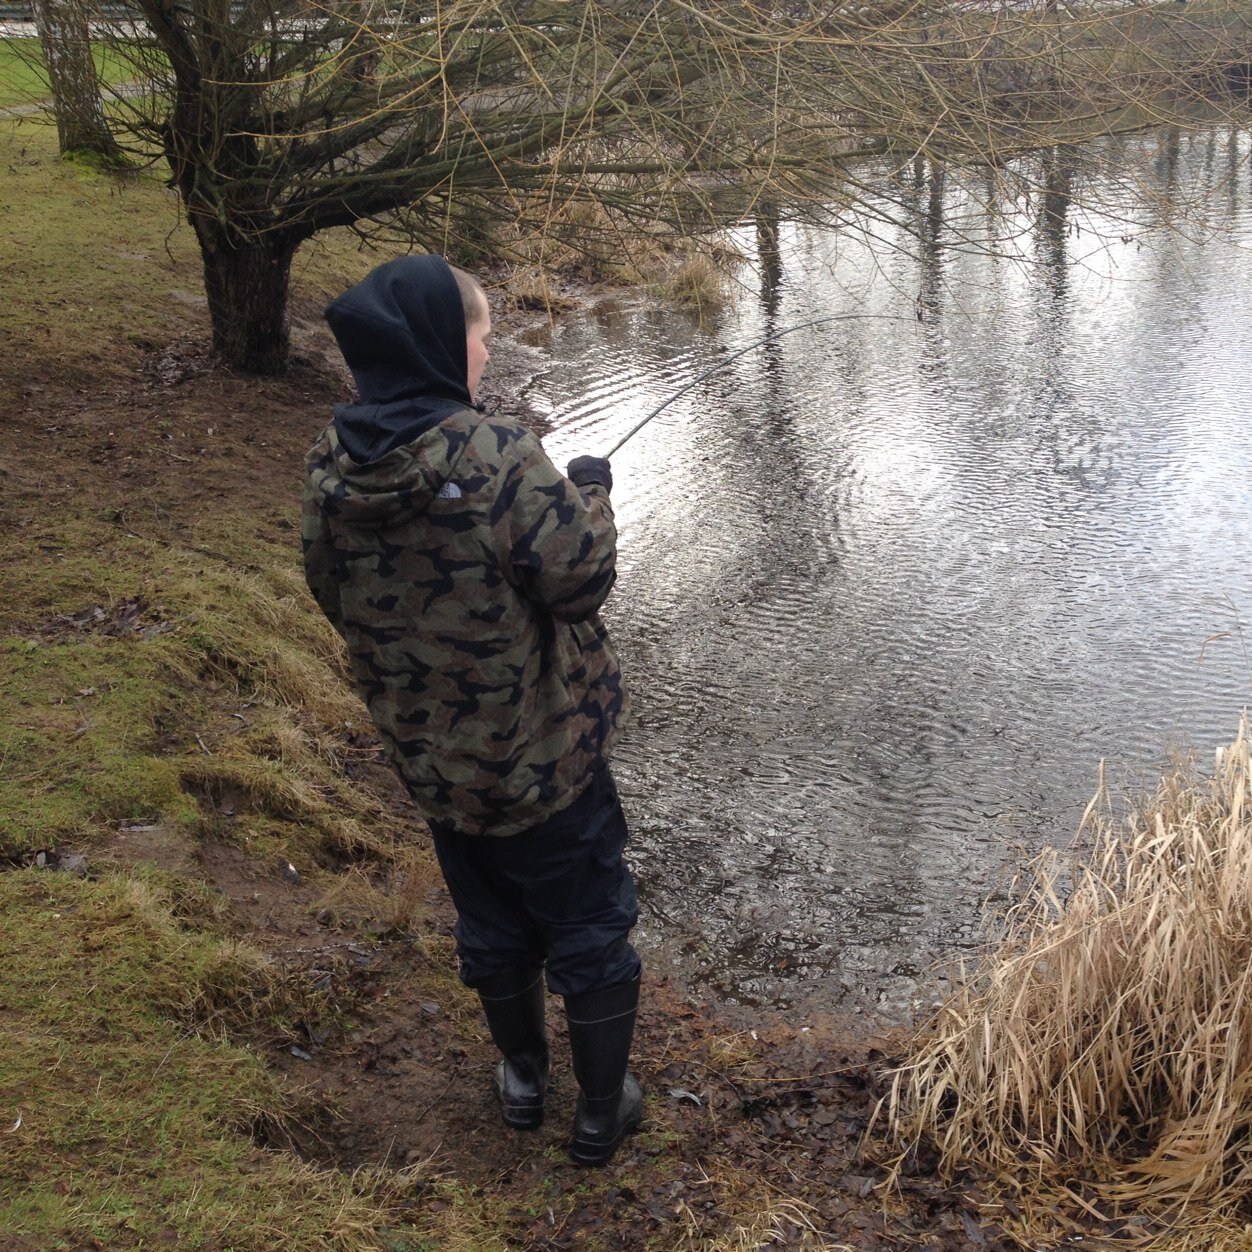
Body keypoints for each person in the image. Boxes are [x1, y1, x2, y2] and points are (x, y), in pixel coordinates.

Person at [301, 254, 643, 1166]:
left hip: (435, 769)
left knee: (490, 921)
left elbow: (331, 593)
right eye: (483, 332)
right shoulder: (496, 455)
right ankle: (602, 1112)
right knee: (591, 923)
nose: (488, 350)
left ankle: (525, 1081)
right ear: (443, 345)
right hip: (546, 762)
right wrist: (593, 491)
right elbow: (582, 581)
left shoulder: (332, 465)